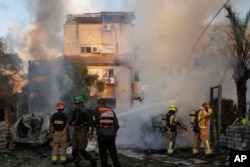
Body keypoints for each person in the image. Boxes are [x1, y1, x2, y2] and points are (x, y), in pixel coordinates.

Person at [64, 96, 97, 167]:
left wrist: (91, 133)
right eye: (75, 103)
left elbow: (91, 123)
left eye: (76, 103)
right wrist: (65, 129)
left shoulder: (86, 112)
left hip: (83, 131)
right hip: (76, 131)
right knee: (74, 150)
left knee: (81, 150)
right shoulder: (75, 111)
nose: (74, 105)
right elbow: (70, 120)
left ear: (81, 103)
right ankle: (77, 164)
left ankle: (92, 161)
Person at [93, 98, 121, 167]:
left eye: (98, 104)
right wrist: (115, 132)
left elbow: (95, 122)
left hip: (102, 136)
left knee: (103, 154)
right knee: (113, 152)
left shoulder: (98, 111)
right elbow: (116, 123)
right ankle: (117, 165)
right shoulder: (111, 110)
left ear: (100, 104)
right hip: (111, 136)